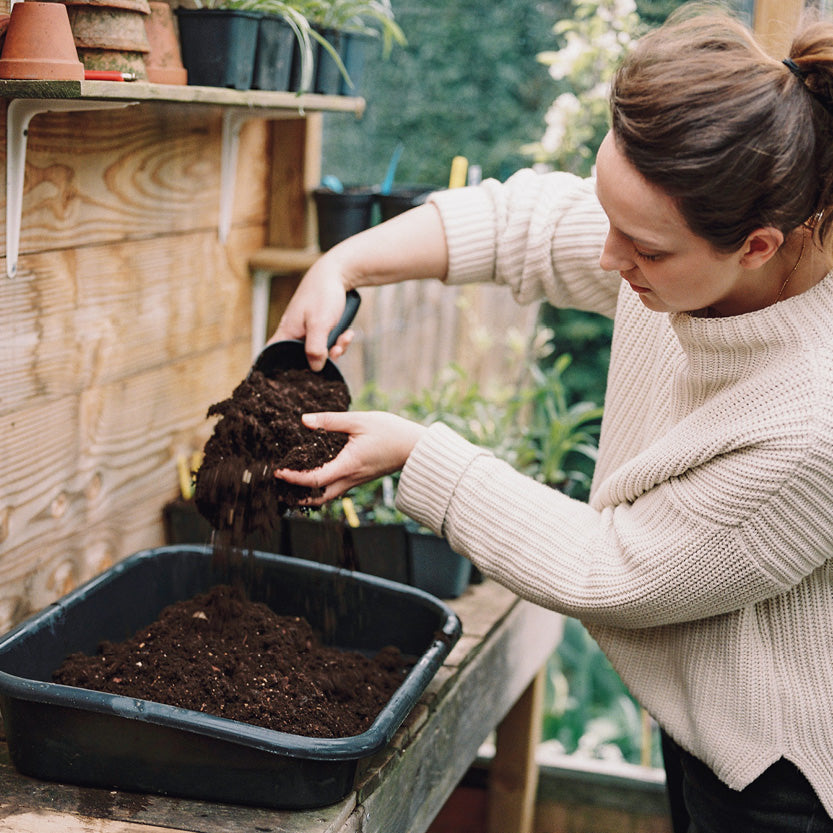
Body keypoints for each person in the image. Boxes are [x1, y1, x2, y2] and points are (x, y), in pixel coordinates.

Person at [272, 8, 833, 831]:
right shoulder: (684, 241)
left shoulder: (809, 422)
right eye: (609, 216)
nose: (609, 259)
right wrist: (342, 262)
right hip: (703, 716)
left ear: (756, 244)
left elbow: (611, 568)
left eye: (640, 246)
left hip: (779, 769)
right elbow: (520, 225)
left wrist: (417, 453)